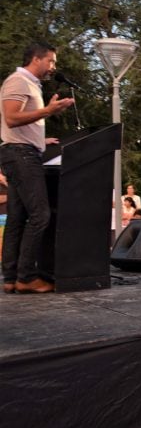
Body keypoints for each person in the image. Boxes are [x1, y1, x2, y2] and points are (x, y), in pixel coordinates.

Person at [0, 41, 74, 293]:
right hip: (21, 155)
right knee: (40, 215)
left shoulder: (30, 84)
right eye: (51, 61)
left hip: (22, 150)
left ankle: (10, 278)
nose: (54, 66)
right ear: (36, 59)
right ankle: (27, 277)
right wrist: (47, 111)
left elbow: (18, 125)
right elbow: (11, 118)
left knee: (18, 218)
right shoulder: (18, 81)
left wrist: (39, 138)